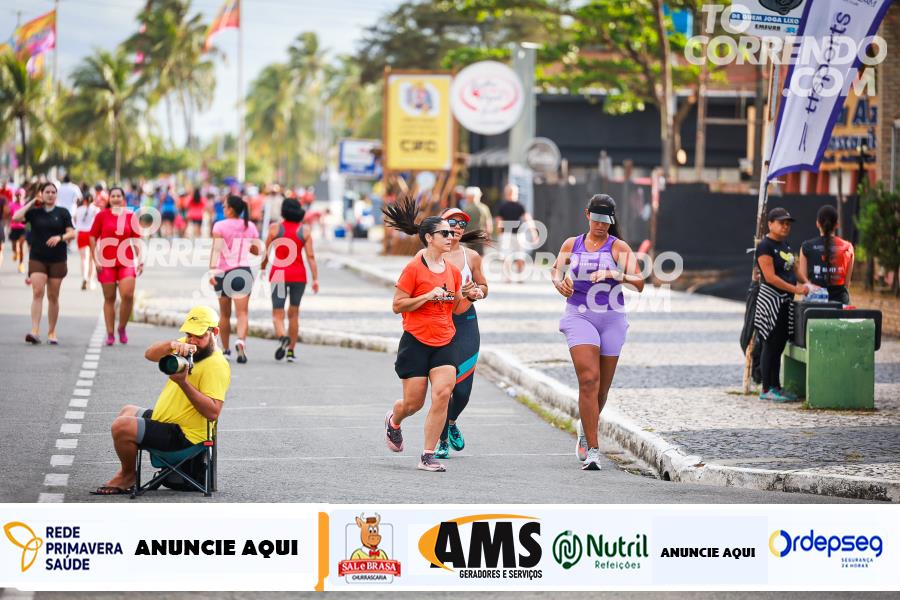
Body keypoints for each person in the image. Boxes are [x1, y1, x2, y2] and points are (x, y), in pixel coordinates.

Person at [381, 198, 487, 472]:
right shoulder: (415, 267)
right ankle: (394, 419)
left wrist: (470, 296)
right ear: (429, 238)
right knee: (413, 403)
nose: (451, 236)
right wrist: (427, 296)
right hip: (416, 341)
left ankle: (428, 455)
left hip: (445, 340)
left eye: (453, 232)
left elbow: (456, 308)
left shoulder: (453, 272)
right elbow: (397, 305)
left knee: (442, 393)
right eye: (445, 232)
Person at [91, 306, 230, 495]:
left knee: (121, 427)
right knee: (127, 411)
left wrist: (183, 383)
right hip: (169, 422)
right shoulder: (188, 346)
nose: (193, 341)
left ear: (215, 332)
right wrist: (173, 345)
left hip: (185, 437)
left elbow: (213, 412)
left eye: (199, 336)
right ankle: (127, 472)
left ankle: (127, 475)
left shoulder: (216, 364)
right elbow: (149, 354)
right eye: (189, 334)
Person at [551, 194, 645, 470]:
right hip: (579, 315)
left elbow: (640, 283)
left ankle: (586, 427)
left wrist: (616, 275)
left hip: (612, 318)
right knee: (589, 380)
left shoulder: (618, 247)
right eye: (597, 219)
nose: (601, 225)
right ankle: (593, 449)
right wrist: (559, 282)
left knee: (601, 390)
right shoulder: (572, 244)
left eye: (606, 220)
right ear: (587, 215)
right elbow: (556, 270)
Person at [424, 207, 489, 459]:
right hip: (438, 324)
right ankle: (441, 441)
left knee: (462, 391)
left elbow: (484, 286)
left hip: (466, 323)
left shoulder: (471, 256)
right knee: (443, 389)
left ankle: (451, 422)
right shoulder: (428, 256)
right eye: (452, 222)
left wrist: (477, 292)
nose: (458, 227)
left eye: (462, 224)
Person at [754, 207, 810, 403]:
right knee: (770, 344)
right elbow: (770, 277)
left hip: (786, 302)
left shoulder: (785, 245)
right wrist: (796, 289)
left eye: (788, 223)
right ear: (770, 224)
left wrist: (808, 284)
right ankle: (766, 388)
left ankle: (776, 386)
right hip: (771, 302)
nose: (785, 226)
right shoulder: (765, 246)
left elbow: (794, 269)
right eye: (781, 223)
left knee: (779, 345)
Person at [12, 182, 76, 345]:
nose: (50, 195)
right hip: (37, 257)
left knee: (53, 296)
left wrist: (60, 237)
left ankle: (52, 332)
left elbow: (72, 233)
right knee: (37, 292)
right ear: (41, 193)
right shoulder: (34, 212)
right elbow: (16, 218)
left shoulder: (63, 212)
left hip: (57, 259)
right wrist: (32, 202)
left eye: (53, 192)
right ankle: (34, 331)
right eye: (47, 192)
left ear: (56, 195)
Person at [261, 198, 318, 363]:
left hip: (279, 274)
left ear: (283, 210)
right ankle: (291, 352)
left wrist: (262, 268)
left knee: (277, 313)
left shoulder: (275, 228)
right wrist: (315, 279)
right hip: (299, 275)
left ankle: (282, 336)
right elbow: (311, 257)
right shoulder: (304, 231)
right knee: (294, 314)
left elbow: (266, 252)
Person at [209, 195, 260, 364]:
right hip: (242, 273)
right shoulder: (250, 226)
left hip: (223, 273)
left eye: (224, 207)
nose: (223, 209)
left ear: (231, 209)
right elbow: (256, 251)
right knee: (242, 313)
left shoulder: (219, 226)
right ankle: (240, 341)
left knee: (224, 314)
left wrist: (211, 271)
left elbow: (216, 250)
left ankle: (226, 350)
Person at [90, 187, 143, 346]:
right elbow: (92, 237)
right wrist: (95, 259)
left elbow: (136, 239)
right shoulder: (101, 216)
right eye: (113, 196)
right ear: (109, 199)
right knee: (110, 298)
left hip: (126, 261)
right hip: (106, 263)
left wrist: (140, 259)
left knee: (128, 295)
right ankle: (110, 333)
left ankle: (122, 327)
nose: (115, 198)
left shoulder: (130, 216)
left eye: (118, 195)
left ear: (123, 198)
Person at [799, 205, 854, 305]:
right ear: (837, 224)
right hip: (841, 304)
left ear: (817, 223)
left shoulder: (806, 247)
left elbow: (804, 281)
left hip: (814, 305)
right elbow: (846, 284)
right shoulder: (848, 247)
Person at [494, 183, 537, 281]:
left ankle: (508, 276)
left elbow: (498, 221)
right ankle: (520, 275)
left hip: (506, 234)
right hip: (518, 234)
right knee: (520, 255)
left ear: (506, 193)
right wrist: (533, 232)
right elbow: (527, 219)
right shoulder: (520, 205)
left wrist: (499, 234)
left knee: (507, 255)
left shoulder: (501, 206)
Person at [73, 194, 100, 290]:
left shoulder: (78, 210)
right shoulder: (96, 210)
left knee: (84, 259)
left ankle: (84, 277)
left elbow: (75, 221)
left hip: (81, 234)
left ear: (84, 200)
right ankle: (91, 281)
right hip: (93, 234)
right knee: (92, 259)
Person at [462, 186, 493, 255]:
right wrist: (489, 235)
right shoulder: (484, 208)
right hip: (480, 235)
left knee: (469, 255)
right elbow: (488, 223)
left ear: (470, 197)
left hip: (468, 236)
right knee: (480, 255)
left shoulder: (466, 209)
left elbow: (462, 224)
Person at [8, 188, 27, 274]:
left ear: (23, 196)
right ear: (15, 196)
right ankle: (16, 253)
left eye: (20, 195)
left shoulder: (26, 205)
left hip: (23, 228)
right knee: (14, 247)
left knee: (22, 246)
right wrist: (8, 226)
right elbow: (9, 216)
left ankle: (21, 264)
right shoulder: (11, 205)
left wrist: (29, 229)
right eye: (17, 195)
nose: (19, 196)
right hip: (14, 228)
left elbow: (29, 218)